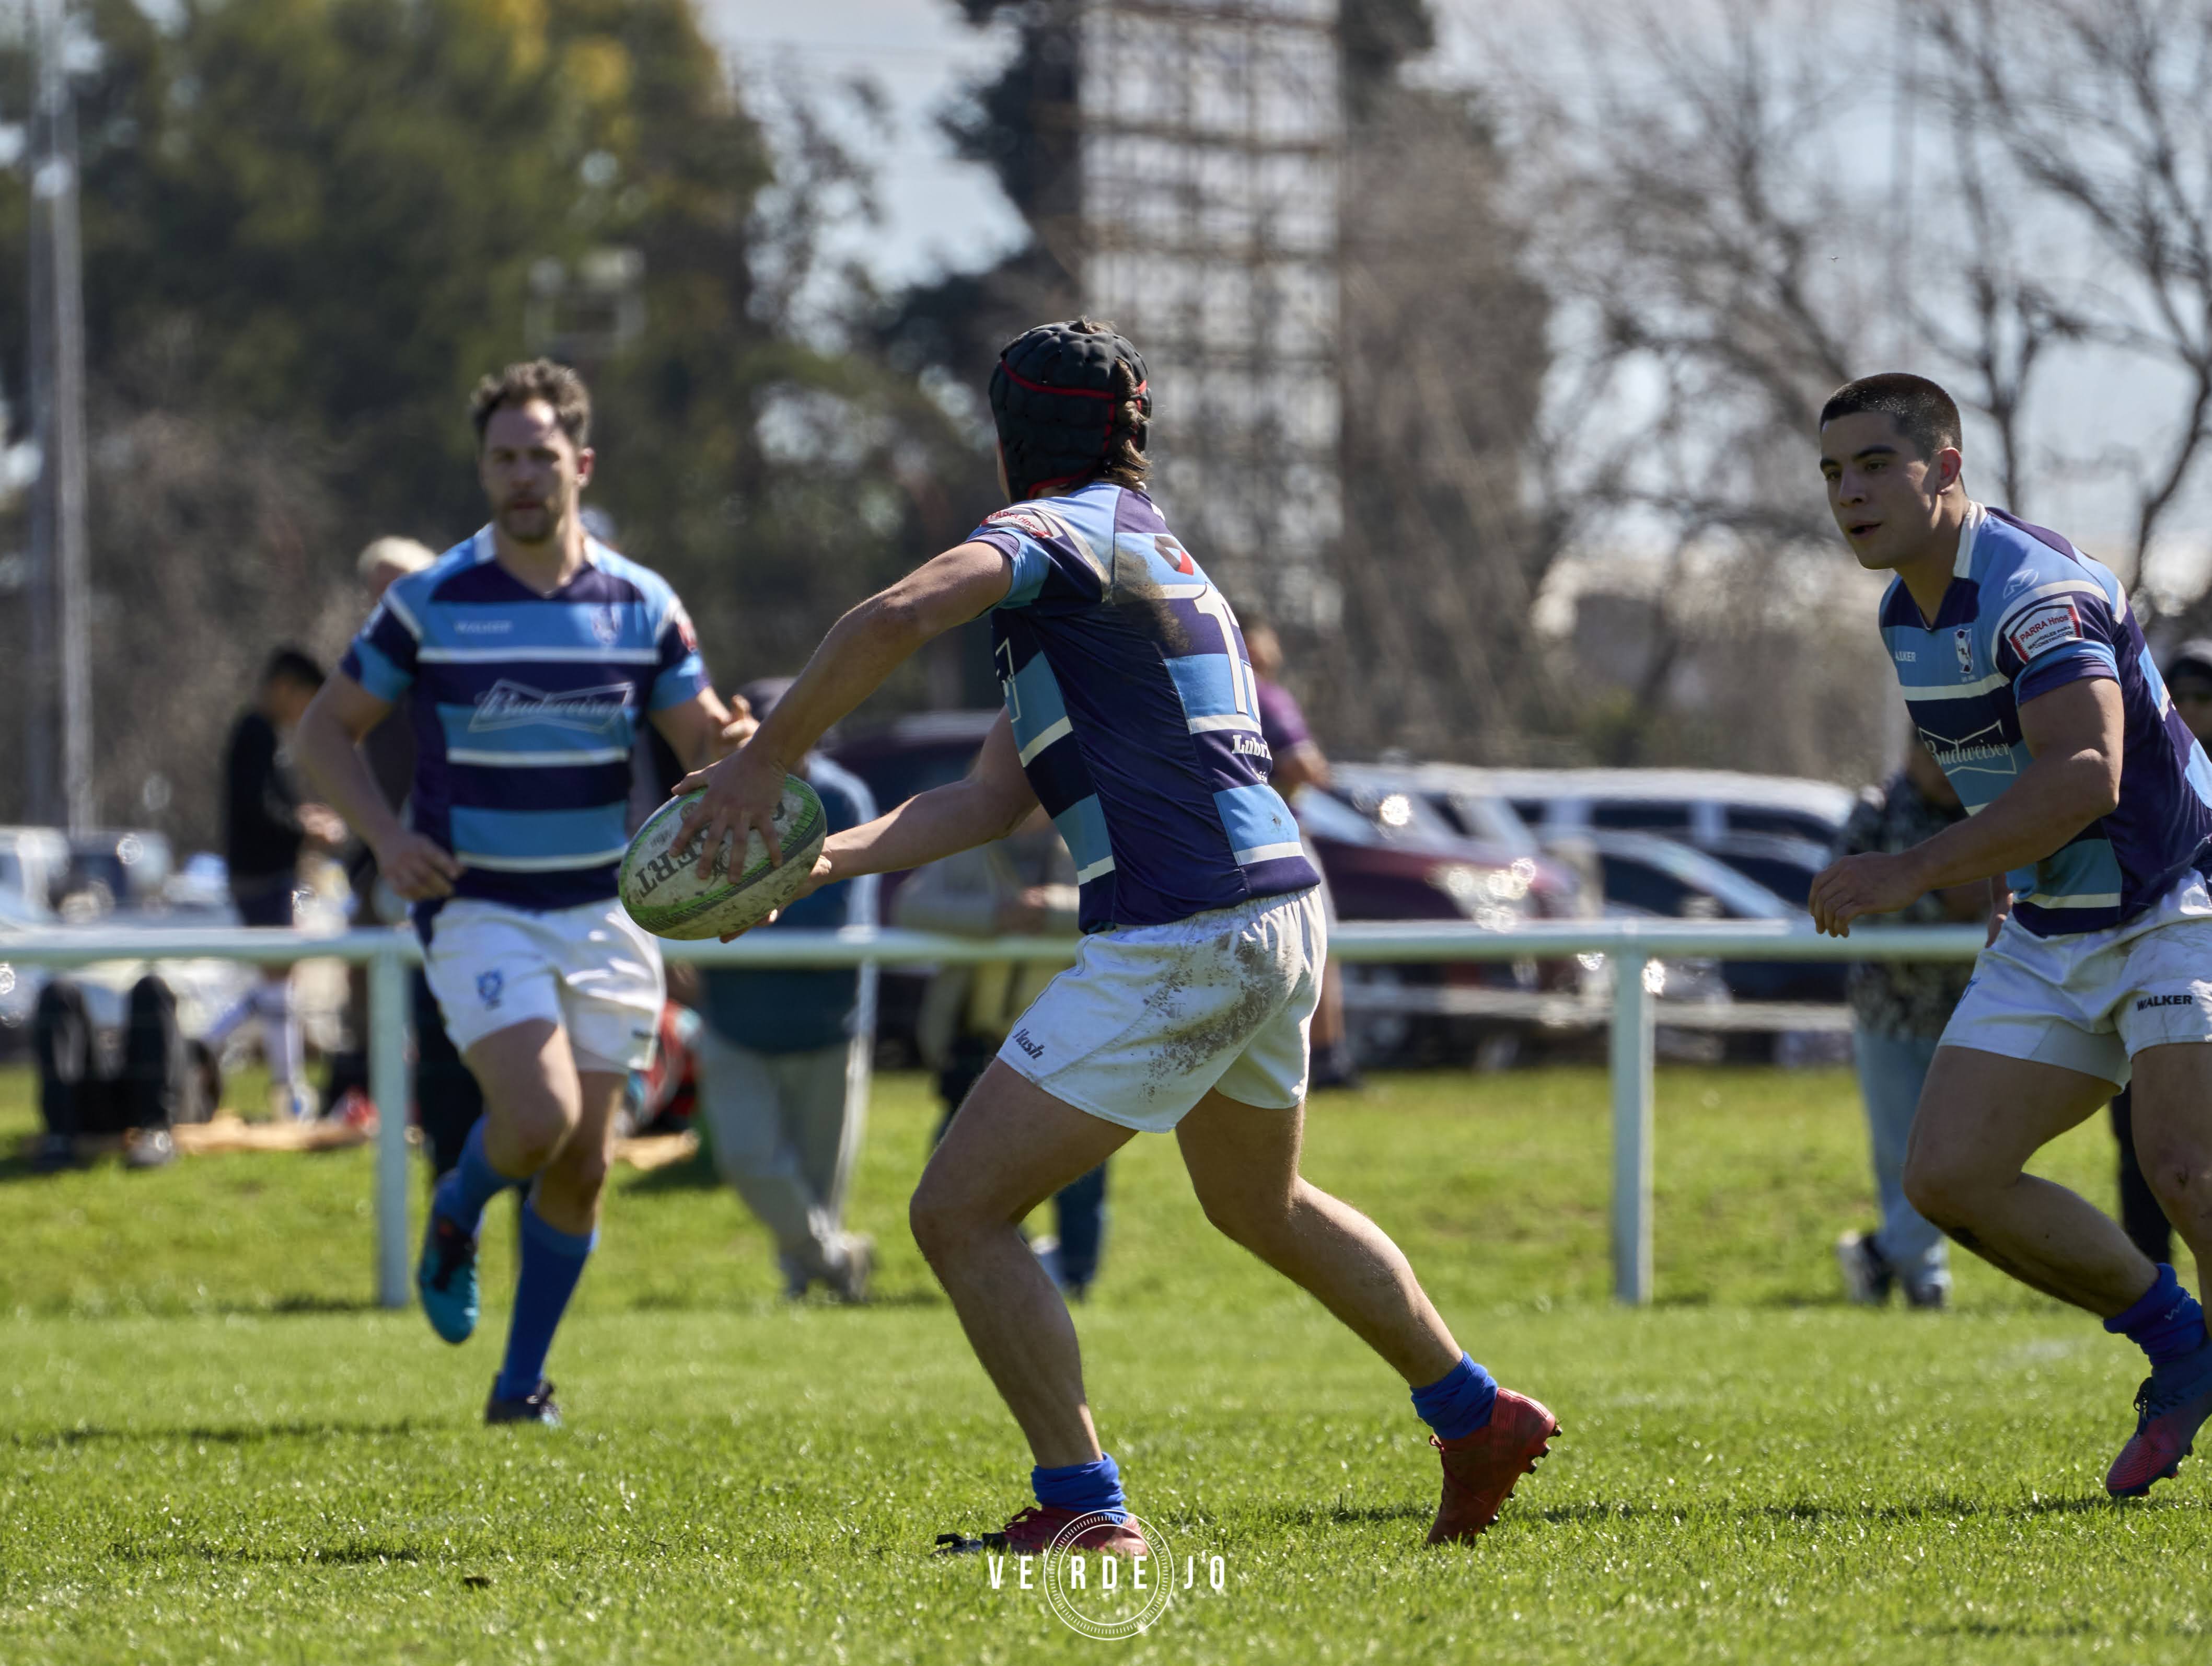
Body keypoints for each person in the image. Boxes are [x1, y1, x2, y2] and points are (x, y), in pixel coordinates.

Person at [676, 318, 1558, 1555]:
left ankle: (1085, 1505)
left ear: (1004, 437)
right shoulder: (1146, 556)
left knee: (956, 1213)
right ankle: (1473, 1412)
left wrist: (759, 768)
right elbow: (991, 798)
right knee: (1263, 1204)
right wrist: (812, 856)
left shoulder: (1048, 535)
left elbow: (889, 615)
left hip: (1187, 926)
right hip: (1277, 916)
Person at [294, 359, 744, 1428]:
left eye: (541, 455)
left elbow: (701, 736)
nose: (522, 475)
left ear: (578, 463)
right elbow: (323, 731)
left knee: (586, 1162)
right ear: (484, 469)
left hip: (604, 909)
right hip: (479, 903)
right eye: (503, 457)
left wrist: (744, 742)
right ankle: (458, 1207)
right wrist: (388, 836)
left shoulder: (640, 604)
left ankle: (519, 1384)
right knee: (535, 1115)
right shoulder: (431, 601)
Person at [1810, 373, 2212, 1500]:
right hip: (2054, 920)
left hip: (2176, 898)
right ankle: (2179, 1345)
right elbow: (2011, 772)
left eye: (1874, 465)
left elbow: (2085, 772)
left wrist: (1912, 868)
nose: (1848, 493)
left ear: (1943, 469)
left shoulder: (2038, 593)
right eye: (1832, 473)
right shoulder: (1903, 608)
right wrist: (2000, 871)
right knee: (1947, 1176)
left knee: (2187, 1169)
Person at [690, 677, 880, 1303]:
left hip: (827, 1023)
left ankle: (812, 1291)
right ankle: (838, 1259)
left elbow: (834, 915)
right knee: (748, 1161)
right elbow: (683, 893)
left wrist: (734, 913)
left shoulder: (842, 797)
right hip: (734, 1019)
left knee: (821, 1184)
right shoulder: (709, 791)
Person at [895, 808, 1109, 1299]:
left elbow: (1137, 908)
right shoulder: (966, 847)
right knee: (953, 1166)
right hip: (979, 1043)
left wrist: (1052, 910)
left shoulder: (1096, 839)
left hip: (1072, 1038)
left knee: (1082, 1164)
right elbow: (911, 906)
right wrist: (995, 915)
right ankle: (1011, 1268)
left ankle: (1076, 1277)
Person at [1831, 734, 1986, 1310]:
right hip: (1889, 1014)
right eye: (1934, 752)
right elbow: (1842, 892)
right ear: (1908, 750)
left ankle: (1880, 1253)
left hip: (1970, 1012)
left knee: (1963, 1153)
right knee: (1901, 1153)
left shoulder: (1987, 814)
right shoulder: (1875, 811)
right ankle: (1925, 1279)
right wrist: (1946, 905)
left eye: (1956, 754)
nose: (1946, 768)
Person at [2104, 640, 2212, 1267]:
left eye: (2206, 697)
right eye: (2184, 697)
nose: (2194, 708)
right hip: (2154, 972)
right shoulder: (2138, 770)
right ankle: (2150, 1279)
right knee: (2144, 1144)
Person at [204, 647, 348, 1120]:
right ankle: (281, 1086)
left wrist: (301, 818)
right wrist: (303, 829)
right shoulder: (255, 732)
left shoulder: (265, 736)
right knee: (277, 980)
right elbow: (255, 809)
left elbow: (268, 805)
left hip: (264, 873)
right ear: (285, 687)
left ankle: (218, 1050)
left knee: (278, 979)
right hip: (261, 875)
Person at [1244, 620, 1357, 1089]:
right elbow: (1305, 767)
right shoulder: (1265, 696)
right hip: (1279, 835)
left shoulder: (1187, 690)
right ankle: (1328, 1060)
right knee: (1318, 946)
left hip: (1222, 840)